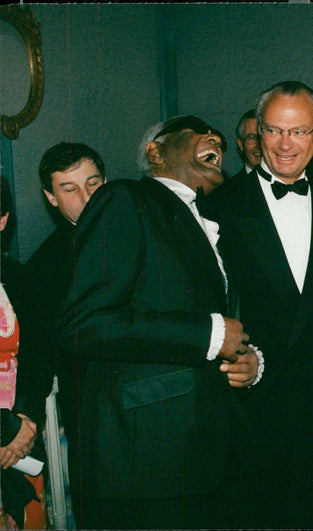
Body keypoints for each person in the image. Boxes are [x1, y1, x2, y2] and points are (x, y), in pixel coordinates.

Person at [57, 115, 262, 529]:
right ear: (155, 152)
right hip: (148, 458)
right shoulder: (124, 199)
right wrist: (207, 334)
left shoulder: (208, 219)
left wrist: (247, 360)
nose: (216, 138)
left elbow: (218, 321)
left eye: (219, 138)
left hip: (208, 454)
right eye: (198, 130)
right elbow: (84, 323)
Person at [214, 81, 313, 528]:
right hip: (247, 411)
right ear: (258, 133)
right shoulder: (216, 208)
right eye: (273, 130)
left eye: (298, 131)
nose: (284, 144)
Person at [12, 142, 107, 525]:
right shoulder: (43, 269)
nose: (86, 197)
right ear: (51, 197)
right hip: (92, 413)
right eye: (70, 189)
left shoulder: (145, 229)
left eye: (93, 183)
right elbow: (38, 352)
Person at [0, 175, 46, 529]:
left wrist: (25, 420)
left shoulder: (16, 275)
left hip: (20, 438)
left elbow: (39, 352)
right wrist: (6, 431)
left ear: (2, 219)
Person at [230, 108, 261, 181]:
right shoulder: (227, 187)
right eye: (252, 138)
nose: (260, 145)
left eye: (265, 137)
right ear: (240, 144)